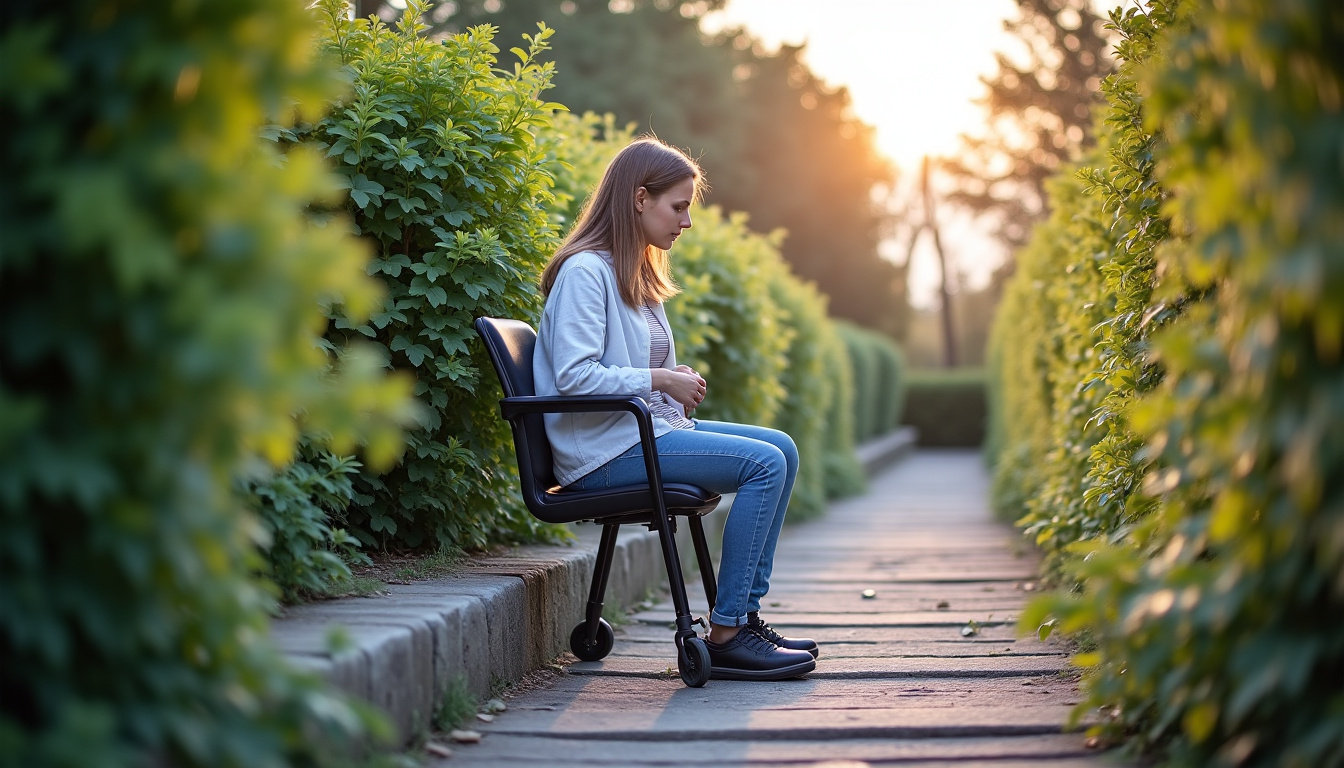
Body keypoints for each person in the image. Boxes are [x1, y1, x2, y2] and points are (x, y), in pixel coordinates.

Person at [533, 136, 818, 681]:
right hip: (604, 452)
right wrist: (659, 378)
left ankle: (745, 617)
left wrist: (671, 382)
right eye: (678, 206)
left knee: (782, 447)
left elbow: (629, 369)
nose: (686, 221)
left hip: (640, 434)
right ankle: (730, 633)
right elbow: (573, 376)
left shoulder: (635, 274)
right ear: (640, 198)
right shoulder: (585, 273)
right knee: (765, 464)